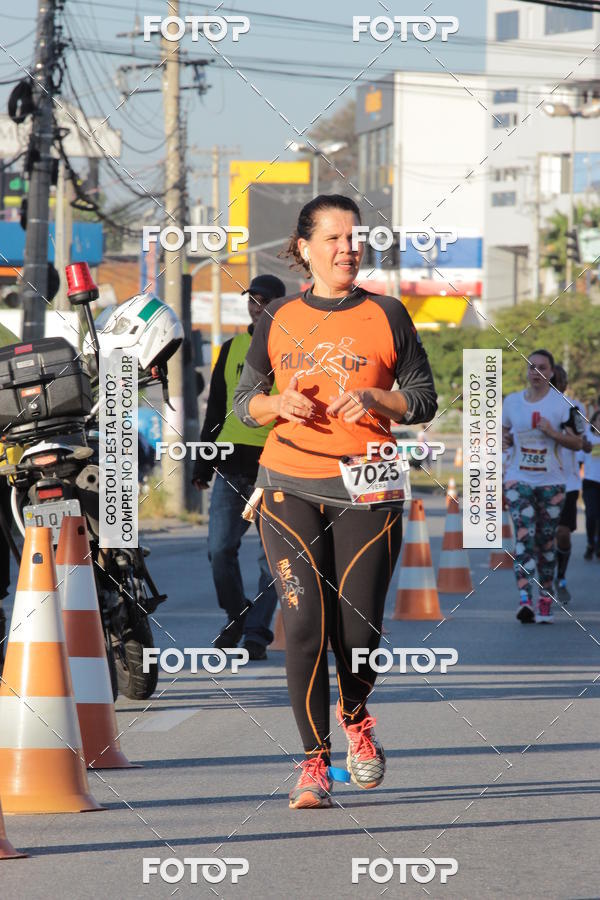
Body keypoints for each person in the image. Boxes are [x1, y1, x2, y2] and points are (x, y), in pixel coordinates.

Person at [233, 195, 437, 809]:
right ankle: (314, 764)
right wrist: (278, 405)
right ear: (303, 249)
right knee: (301, 627)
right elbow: (247, 401)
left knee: (358, 625)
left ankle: (356, 715)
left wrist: (378, 397)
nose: (349, 247)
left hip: (368, 484)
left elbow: (423, 398)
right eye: (334, 238)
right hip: (288, 479)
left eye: (355, 237)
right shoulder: (277, 316)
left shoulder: (389, 313)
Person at [192, 275, 286, 660]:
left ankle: (257, 633)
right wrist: (203, 462)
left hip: (277, 466)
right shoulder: (232, 347)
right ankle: (238, 615)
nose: (256, 305)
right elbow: (215, 408)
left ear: (282, 304)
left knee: (273, 559)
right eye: (252, 298)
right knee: (218, 550)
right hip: (231, 465)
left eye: (265, 300)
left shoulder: (294, 349)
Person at [502, 350, 584, 625]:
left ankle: (545, 599)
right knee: (524, 537)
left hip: (552, 482)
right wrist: (504, 442)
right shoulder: (512, 402)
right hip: (518, 478)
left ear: (551, 373)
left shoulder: (564, 406)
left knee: (546, 543)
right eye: (531, 367)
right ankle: (525, 599)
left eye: (542, 368)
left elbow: (578, 443)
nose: (535, 372)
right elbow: (503, 433)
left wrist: (552, 433)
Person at [550, 365, 588, 604]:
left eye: (557, 382)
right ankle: (544, 581)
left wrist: (580, 442)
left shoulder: (574, 408)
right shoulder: (529, 406)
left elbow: (582, 441)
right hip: (540, 480)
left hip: (569, 482)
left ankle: (560, 577)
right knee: (545, 537)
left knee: (562, 534)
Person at [582, 409, 600, 560]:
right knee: (591, 515)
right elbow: (579, 460)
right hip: (590, 481)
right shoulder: (586, 438)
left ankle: (598, 546)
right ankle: (590, 543)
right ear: (593, 422)